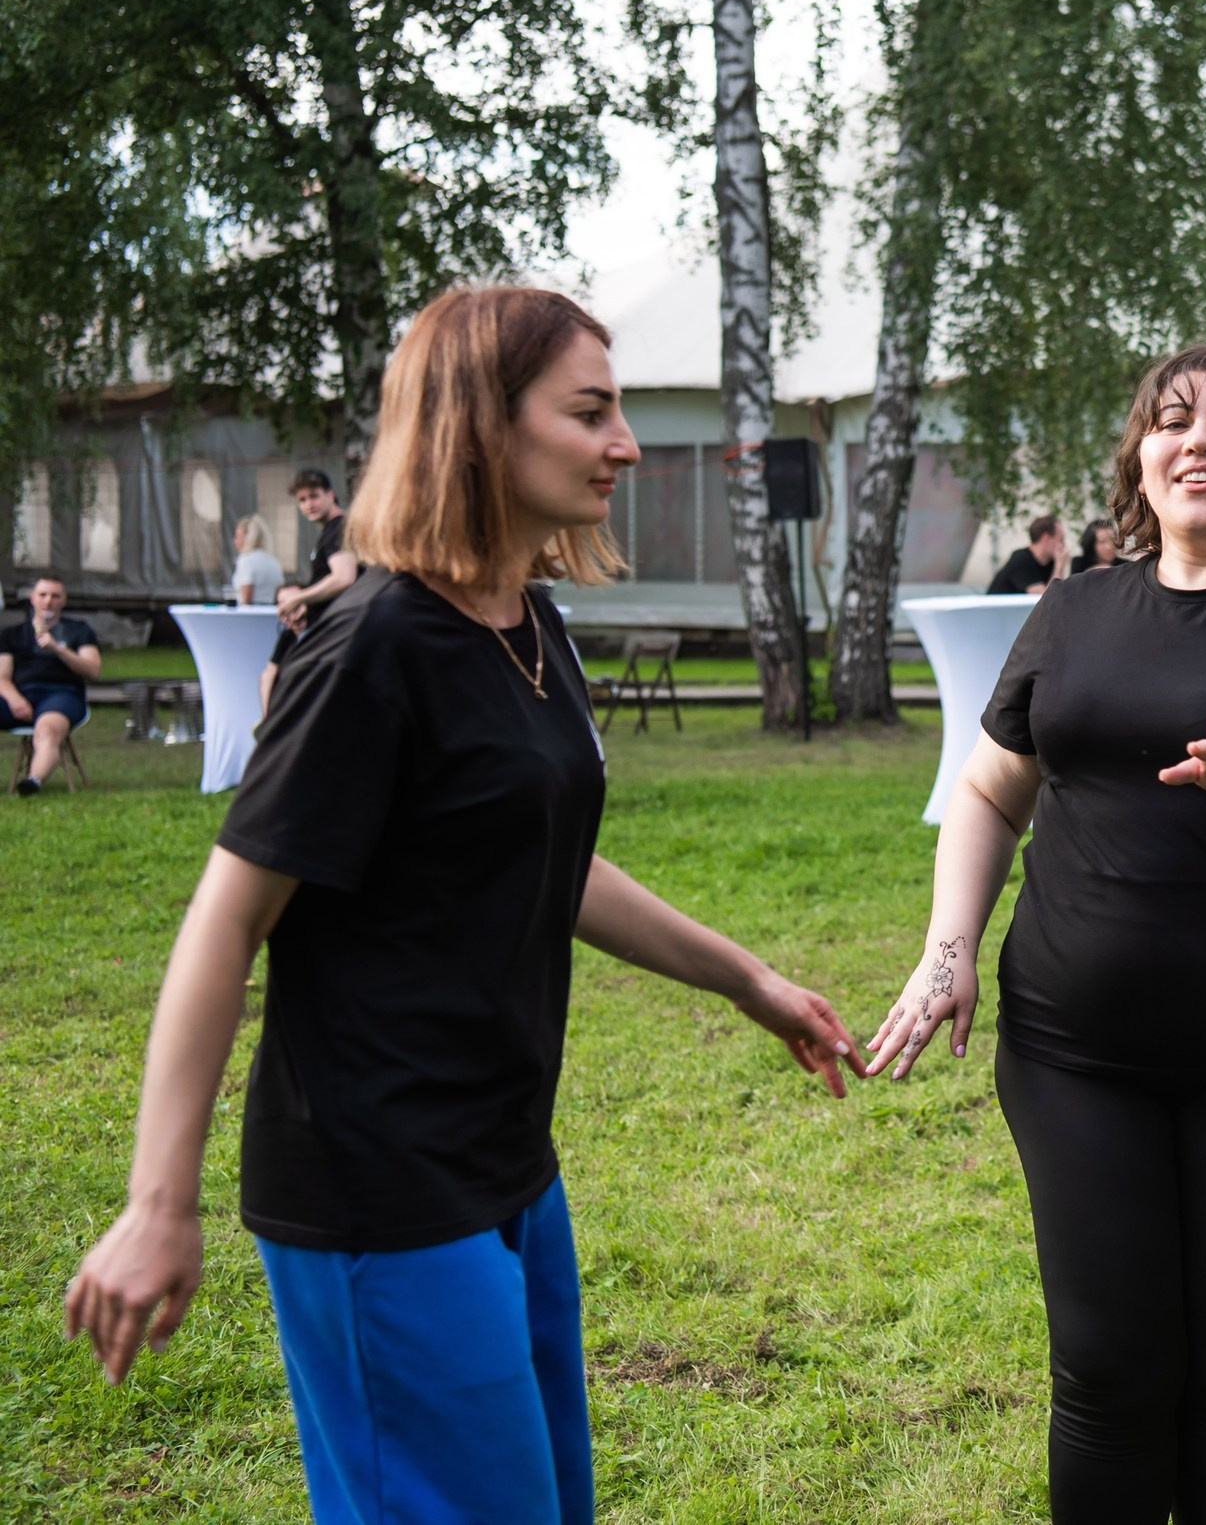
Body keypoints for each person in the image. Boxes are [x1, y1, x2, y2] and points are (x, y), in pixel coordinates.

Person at [62, 285, 860, 1525]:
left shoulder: (527, 622)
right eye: (590, 412)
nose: (626, 444)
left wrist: (746, 980)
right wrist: (159, 1201)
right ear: (481, 423)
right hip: (377, 1183)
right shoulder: (375, 643)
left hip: (506, 1164)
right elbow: (225, 918)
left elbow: (540, 857)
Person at [867, 342, 1206, 1522]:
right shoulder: (1069, 613)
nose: (1199, 441)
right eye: (1173, 421)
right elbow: (985, 793)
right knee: (1107, 1369)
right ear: (1140, 457)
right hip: (1075, 1055)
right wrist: (948, 946)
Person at [260, 469, 358, 714]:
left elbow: (344, 577)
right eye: (302, 500)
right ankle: (269, 731)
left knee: (290, 682)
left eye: (314, 496)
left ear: (330, 495)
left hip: (339, 632)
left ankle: (275, 734)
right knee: (273, 672)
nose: (308, 505)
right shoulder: (329, 532)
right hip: (326, 628)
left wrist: (300, 598)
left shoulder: (339, 528)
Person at [2, 573, 103, 795]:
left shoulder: (79, 630)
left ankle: (32, 783)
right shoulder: (12, 634)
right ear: (32, 598)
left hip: (62, 695)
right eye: (43, 595)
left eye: (55, 596)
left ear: (64, 600)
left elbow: (92, 670)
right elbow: (2, 677)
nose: (48, 601)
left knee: (48, 730)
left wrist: (58, 649)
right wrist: (15, 699)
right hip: (20, 695)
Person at [987, 514, 1067, 595]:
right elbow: (1047, 598)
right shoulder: (1021, 559)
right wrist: (1059, 566)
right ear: (1046, 538)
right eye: (1061, 540)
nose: (1063, 546)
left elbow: (1060, 595)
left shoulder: (1050, 562)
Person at [231, 516, 285, 606]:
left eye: (238, 537)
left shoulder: (245, 560)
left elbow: (246, 600)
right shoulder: (273, 561)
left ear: (248, 538)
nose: (235, 541)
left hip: (251, 616)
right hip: (271, 614)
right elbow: (279, 591)